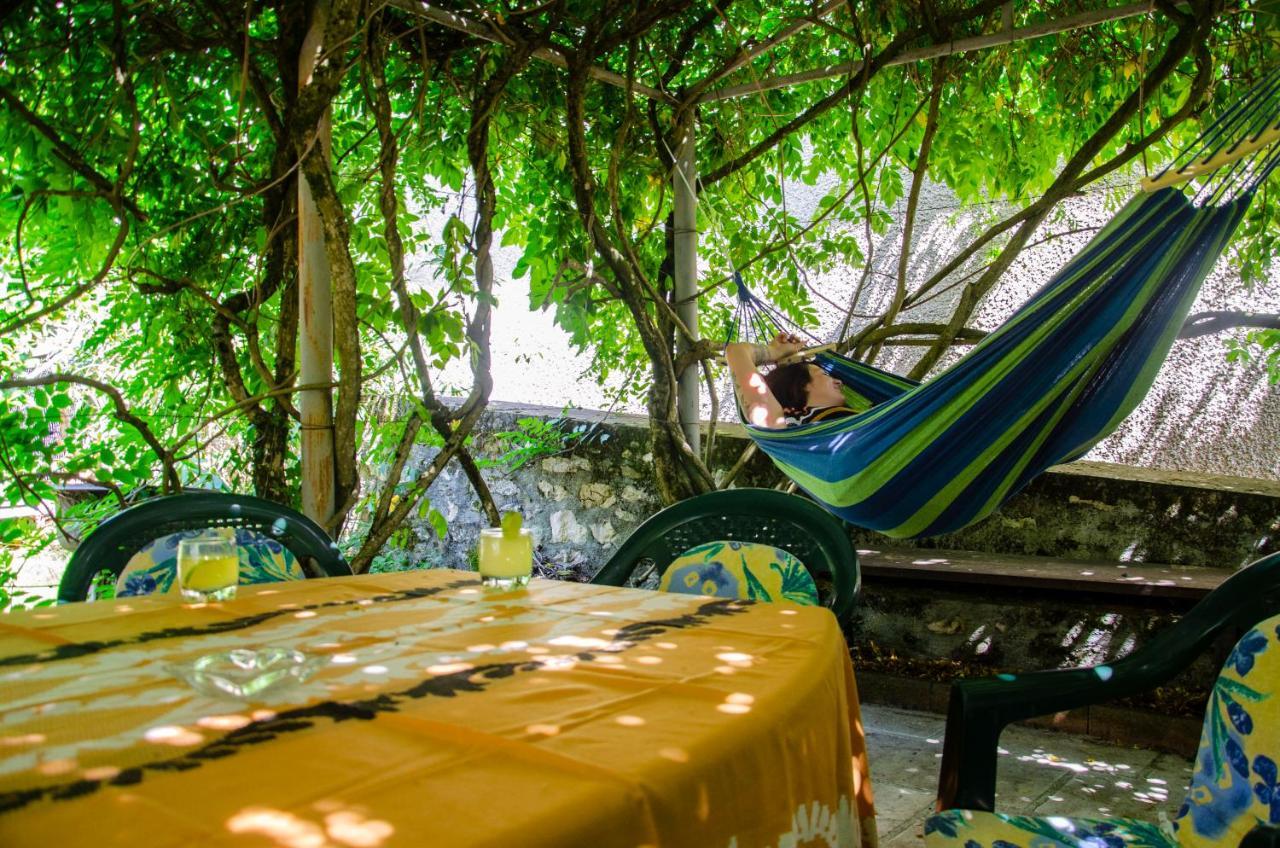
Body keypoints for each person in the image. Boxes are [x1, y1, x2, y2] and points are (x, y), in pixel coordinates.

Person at [725, 332, 857, 429]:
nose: (839, 382)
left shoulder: (861, 416)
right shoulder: (785, 426)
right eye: (824, 374)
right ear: (802, 385)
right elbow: (736, 351)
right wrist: (775, 351)